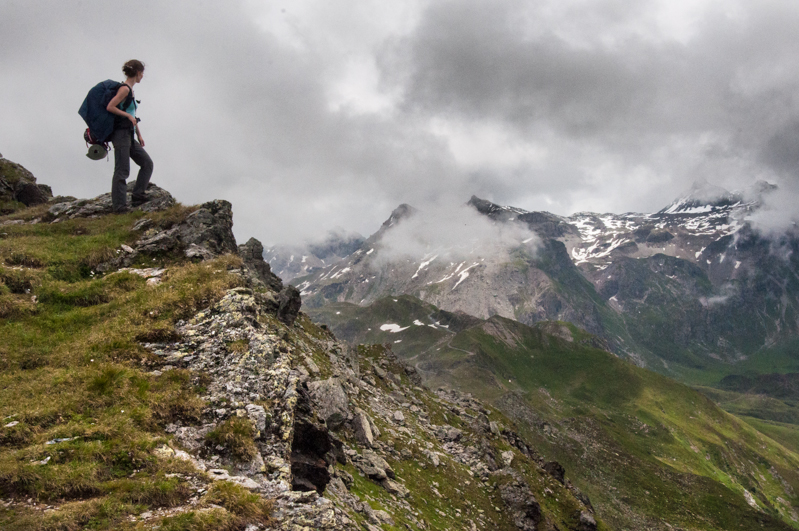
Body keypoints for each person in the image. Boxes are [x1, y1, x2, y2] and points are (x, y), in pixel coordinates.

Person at [106, 59, 153, 213]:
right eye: (142, 73)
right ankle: (119, 207)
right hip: (120, 134)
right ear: (138, 73)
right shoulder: (125, 89)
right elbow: (110, 107)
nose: (142, 76)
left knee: (147, 163)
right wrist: (126, 115)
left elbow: (132, 115)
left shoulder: (131, 91)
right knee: (122, 170)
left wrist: (139, 134)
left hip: (129, 135)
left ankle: (138, 194)